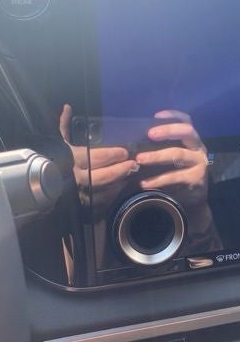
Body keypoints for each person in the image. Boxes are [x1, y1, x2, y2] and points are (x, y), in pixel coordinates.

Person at [59, 104, 222, 254]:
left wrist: (197, 212)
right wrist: (61, 192)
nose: (131, 143)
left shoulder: (181, 186)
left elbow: (206, 266)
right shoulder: (73, 194)